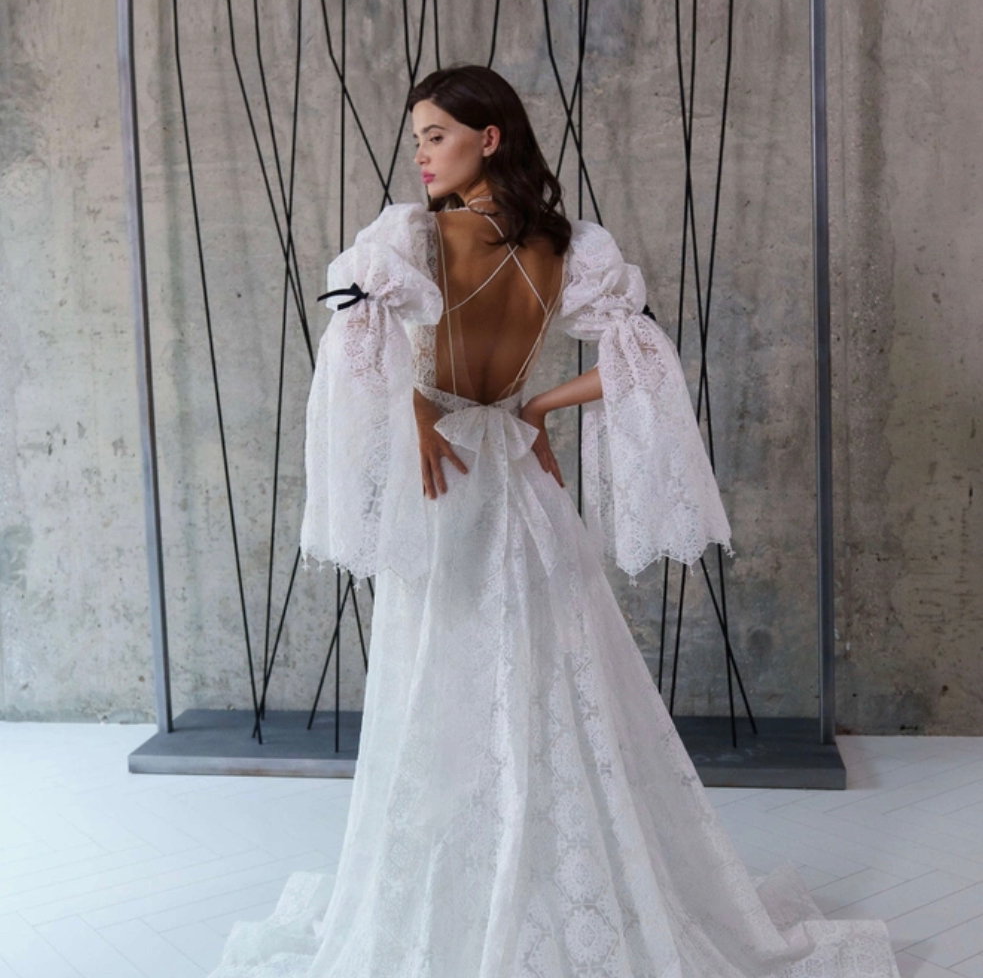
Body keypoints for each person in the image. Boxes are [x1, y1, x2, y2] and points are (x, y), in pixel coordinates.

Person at [209, 65, 901, 978]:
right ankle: (556, 873)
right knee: (551, 676)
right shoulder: (568, 249)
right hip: (516, 476)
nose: (420, 156)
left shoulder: (410, 241)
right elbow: (636, 362)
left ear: (488, 137)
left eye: (435, 136)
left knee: (441, 681)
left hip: (444, 482)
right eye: (416, 139)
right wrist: (536, 408)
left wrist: (418, 414)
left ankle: (464, 887)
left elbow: (359, 358)